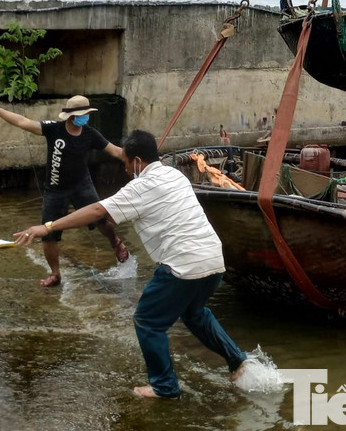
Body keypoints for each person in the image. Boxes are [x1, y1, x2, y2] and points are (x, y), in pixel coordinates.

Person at [14, 130, 252, 398]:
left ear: (137, 161)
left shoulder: (141, 187)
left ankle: (164, 387)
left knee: (147, 320)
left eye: (126, 163)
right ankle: (237, 361)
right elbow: (112, 213)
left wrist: (49, 226)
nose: (126, 169)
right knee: (194, 313)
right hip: (213, 260)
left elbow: (97, 211)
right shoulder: (175, 175)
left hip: (182, 265)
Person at [0, 91, 129, 286]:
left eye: (88, 114)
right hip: (55, 190)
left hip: (82, 185)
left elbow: (116, 151)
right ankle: (55, 274)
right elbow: (22, 122)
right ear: (72, 116)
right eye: (83, 115)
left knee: (102, 220)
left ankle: (115, 242)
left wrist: (143, 160)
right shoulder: (54, 130)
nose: (86, 118)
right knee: (49, 235)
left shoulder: (91, 134)